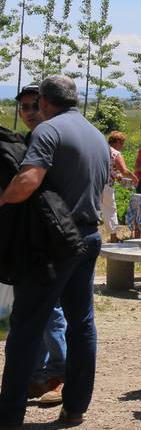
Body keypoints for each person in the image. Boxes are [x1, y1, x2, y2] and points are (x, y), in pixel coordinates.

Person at [0, 76, 108, 429]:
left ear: (45, 101)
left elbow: (28, 181)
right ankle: (75, 408)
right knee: (82, 324)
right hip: (90, 236)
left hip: (56, 241)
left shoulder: (49, 131)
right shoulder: (96, 135)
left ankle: (10, 413)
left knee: (27, 326)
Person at [12, 84, 66, 408]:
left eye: (34, 106)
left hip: (51, 237)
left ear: (45, 105)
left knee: (52, 309)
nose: (29, 113)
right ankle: (38, 373)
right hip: (29, 236)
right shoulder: (29, 140)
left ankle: (58, 373)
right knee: (31, 309)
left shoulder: (51, 138)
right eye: (24, 108)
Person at [102, 131, 133, 235]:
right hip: (106, 186)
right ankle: (113, 236)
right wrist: (134, 178)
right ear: (117, 142)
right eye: (122, 143)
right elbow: (124, 171)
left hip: (94, 183)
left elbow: (107, 168)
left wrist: (116, 175)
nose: (122, 146)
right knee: (110, 210)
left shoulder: (101, 149)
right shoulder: (115, 153)